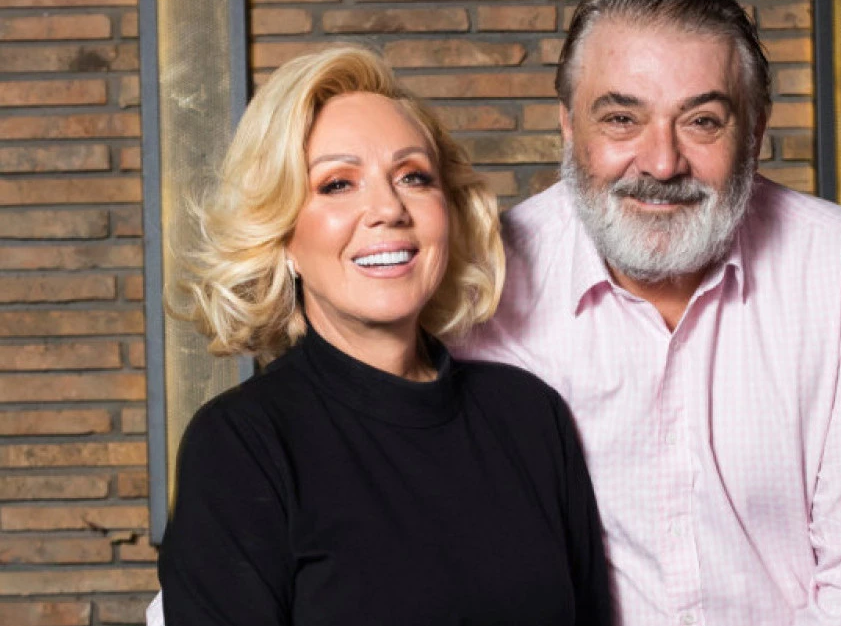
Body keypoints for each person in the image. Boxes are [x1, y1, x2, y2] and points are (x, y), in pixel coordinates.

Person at [452, 0, 841, 625]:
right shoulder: (482, 286)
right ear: (568, 126)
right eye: (621, 118)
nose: (661, 163)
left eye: (702, 121)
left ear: (755, 132)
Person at [154, 45, 612, 626]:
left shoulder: (529, 416)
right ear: (282, 236)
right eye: (337, 184)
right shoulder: (241, 446)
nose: (388, 208)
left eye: (413, 177)